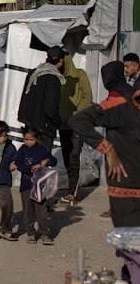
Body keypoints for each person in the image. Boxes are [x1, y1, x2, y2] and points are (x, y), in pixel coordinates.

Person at [70, 88, 140, 227]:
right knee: (128, 243)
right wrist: (107, 148)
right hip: (126, 187)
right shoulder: (121, 106)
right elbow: (78, 120)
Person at [11, 126, 57, 245]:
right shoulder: (22, 150)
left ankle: (44, 234)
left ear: (36, 139)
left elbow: (53, 160)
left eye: (31, 139)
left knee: (41, 210)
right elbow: (18, 164)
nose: (28, 142)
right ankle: (30, 233)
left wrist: (44, 162)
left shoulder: (41, 149)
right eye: (26, 139)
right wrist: (31, 168)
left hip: (40, 186)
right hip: (26, 185)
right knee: (28, 210)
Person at [57, 54, 92, 205]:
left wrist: (76, 114)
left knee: (73, 156)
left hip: (77, 125)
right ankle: (70, 190)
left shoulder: (79, 75)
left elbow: (87, 96)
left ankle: (72, 193)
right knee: (66, 157)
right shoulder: (58, 78)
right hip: (63, 125)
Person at [17, 46, 66, 149]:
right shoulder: (53, 78)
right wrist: (57, 122)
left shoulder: (34, 73)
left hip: (29, 124)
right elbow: (50, 107)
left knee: (29, 156)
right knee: (40, 160)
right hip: (44, 127)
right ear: (61, 60)